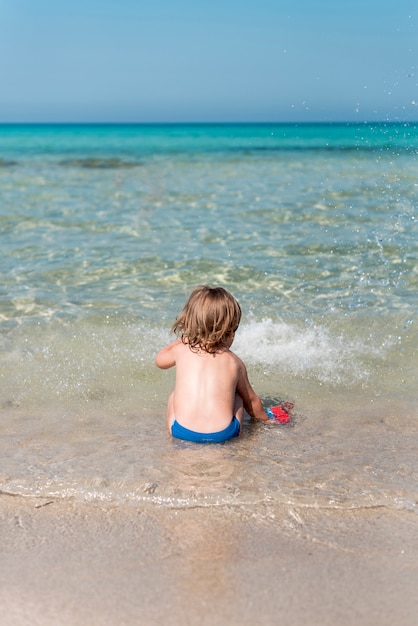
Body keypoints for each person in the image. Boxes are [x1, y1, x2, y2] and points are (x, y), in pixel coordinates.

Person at [155, 285, 272, 443]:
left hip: (182, 432)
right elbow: (251, 402)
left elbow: (160, 361)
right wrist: (268, 419)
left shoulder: (181, 349)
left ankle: (171, 439)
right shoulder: (234, 362)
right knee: (238, 398)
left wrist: (182, 341)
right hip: (223, 435)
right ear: (229, 331)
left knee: (174, 396)